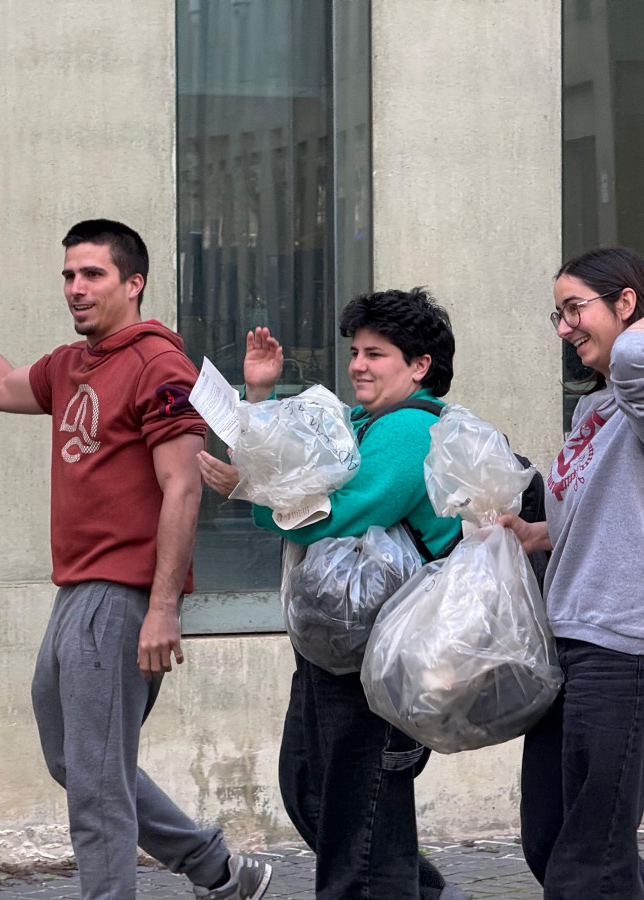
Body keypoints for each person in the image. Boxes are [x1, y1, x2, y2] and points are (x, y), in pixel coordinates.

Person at [0, 220, 271, 900]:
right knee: (75, 762)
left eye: (93, 275)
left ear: (132, 284)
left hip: (121, 595)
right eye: (69, 276)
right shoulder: (73, 364)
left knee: (98, 794)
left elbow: (185, 483)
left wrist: (162, 608)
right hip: (75, 592)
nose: (77, 289)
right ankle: (216, 868)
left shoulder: (158, 366)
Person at [198, 289, 468, 900]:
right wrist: (260, 395)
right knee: (314, 793)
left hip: (379, 656)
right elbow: (286, 461)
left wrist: (251, 497)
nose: (358, 365)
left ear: (419, 366)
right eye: (355, 352)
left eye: (376, 354)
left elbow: (341, 514)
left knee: (360, 825)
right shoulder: (361, 422)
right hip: (339, 648)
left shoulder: (408, 431)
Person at [499, 247, 644, 900]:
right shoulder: (594, 410)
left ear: (626, 303)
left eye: (576, 309)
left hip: (629, 648)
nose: (565, 327)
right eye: (558, 314)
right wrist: (533, 533)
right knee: (554, 845)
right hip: (571, 643)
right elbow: (606, 510)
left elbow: (636, 361)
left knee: (589, 866)